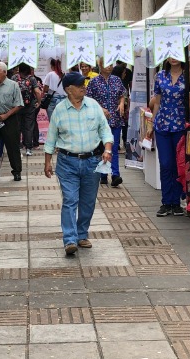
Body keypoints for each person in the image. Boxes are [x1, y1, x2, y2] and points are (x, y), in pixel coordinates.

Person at [44, 72, 113, 255]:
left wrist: (107, 149)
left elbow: (105, 130)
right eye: (79, 85)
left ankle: (82, 234)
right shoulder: (59, 110)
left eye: (84, 84)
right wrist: (47, 162)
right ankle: (69, 239)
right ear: (68, 89)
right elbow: (51, 138)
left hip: (92, 161)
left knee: (88, 202)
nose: (84, 87)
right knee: (70, 200)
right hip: (67, 162)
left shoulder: (93, 106)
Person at [148, 54, 190, 216]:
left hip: (181, 125)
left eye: (177, 54)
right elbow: (157, 102)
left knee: (179, 164)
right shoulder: (160, 75)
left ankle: (176, 202)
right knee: (166, 163)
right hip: (162, 124)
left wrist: (189, 77)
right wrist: (152, 122)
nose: (173, 58)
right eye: (170, 54)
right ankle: (166, 201)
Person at [86, 64, 128, 186]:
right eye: (106, 64)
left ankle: (115, 174)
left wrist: (121, 103)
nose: (109, 67)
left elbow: (122, 94)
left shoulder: (116, 80)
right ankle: (103, 174)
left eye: (110, 64)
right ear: (100, 65)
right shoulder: (94, 82)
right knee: (102, 148)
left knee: (113, 147)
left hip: (115, 118)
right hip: (100, 120)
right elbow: (88, 100)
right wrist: (100, 108)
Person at [12, 63, 45, 156]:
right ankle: (28, 149)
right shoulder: (32, 78)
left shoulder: (14, 78)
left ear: (19, 69)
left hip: (17, 106)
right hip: (29, 106)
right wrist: (39, 102)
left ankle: (18, 147)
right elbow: (37, 91)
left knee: (17, 127)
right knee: (29, 127)